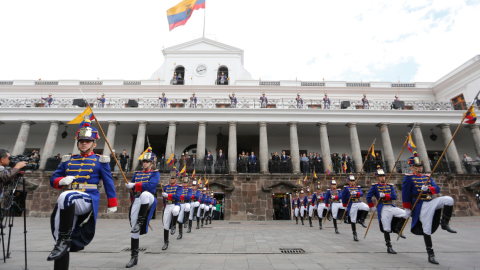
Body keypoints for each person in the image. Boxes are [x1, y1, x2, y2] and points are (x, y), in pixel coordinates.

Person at [46, 118, 117, 269]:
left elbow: (109, 182)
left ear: (94, 144)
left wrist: (112, 202)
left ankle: (64, 240)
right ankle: (62, 248)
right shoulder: (68, 160)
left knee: (65, 196)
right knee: (59, 237)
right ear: (77, 142)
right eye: (81, 140)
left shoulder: (101, 161)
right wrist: (62, 180)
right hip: (68, 201)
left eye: (87, 141)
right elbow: (53, 180)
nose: (84, 143)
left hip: (87, 198)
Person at [402, 153, 456, 264]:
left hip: (431, 201)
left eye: (420, 166)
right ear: (412, 168)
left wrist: (429, 188)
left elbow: (437, 188)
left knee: (449, 200)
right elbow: (405, 194)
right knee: (426, 229)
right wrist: (407, 209)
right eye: (417, 166)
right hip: (421, 205)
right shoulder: (409, 178)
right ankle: (431, 254)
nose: (420, 168)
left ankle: (445, 223)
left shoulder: (428, 177)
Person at [124, 148, 159, 268]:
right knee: (134, 229)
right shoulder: (137, 174)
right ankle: (134, 257)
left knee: (144, 194)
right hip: (137, 199)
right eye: (143, 161)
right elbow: (132, 192)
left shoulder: (155, 173)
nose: (144, 163)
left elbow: (151, 185)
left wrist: (135, 185)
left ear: (152, 163)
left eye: (147, 161)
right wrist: (130, 187)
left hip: (149, 197)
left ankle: (141, 221)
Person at [366, 167, 407, 255]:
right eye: (380, 176)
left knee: (405, 213)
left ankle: (398, 228)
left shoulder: (389, 186)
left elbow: (394, 197)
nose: (382, 178)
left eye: (383, 176)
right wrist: (372, 207)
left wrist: (385, 195)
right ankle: (389, 247)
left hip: (391, 206)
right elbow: (368, 197)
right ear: (377, 178)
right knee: (386, 228)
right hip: (383, 208)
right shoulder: (375, 187)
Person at [341, 174, 370, 241]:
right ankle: (354, 234)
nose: (352, 182)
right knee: (353, 220)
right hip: (352, 203)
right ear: (348, 182)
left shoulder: (357, 187)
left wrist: (357, 193)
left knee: (367, 207)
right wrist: (345, 206)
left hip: (358, 202)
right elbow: (343, 197)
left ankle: (362, 220)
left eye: (353, 181)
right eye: (351, 181)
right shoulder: (346, 188)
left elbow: (361, 194)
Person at [161, 170, 182, 250]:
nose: (171, 180)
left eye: (173, 178)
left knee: (176, 211)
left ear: (176, 179)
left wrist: (168, 195)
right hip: (168, 205)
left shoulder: (179, 187)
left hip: (175, 204)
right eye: (171, 178)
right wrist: (164, 206)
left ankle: (173, 225)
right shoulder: (166, 187)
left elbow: (177, 197)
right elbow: (164, 199)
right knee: (165, 225)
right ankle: (166, 242)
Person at [176, 174, 192, 240]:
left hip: (186, 203)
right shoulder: (179, 188)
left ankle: (186, 220)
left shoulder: (189, 189)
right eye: (184, 182)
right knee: (179, 220)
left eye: (186, 182)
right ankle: (180, 233)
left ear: (187, 183)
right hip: (180, 203)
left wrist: (180, 196)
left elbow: (188, 197)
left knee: (188, 207)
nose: (184, 184)